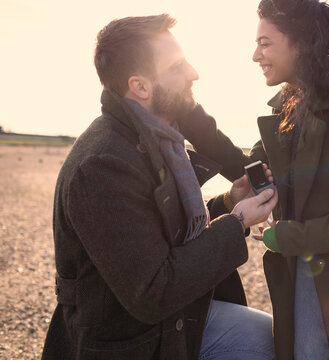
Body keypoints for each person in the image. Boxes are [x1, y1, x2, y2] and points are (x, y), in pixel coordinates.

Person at [179, 0, 329, 359]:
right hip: (303, 273)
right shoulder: (290, 109)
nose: (255, 55)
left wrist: (293, 237)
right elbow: (249, 170)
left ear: (302, 41)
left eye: (265, 43)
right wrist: (188, 112)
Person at [41, 14, 278, 360]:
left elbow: (166, 237)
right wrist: (237, 222)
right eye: (178, 66)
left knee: (276, 337)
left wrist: (229, 202)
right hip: (131, 342)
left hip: (172, 319)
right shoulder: (103, 166)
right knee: (269, 346)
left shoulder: (154, 137)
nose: (194, 73)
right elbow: (154, 291)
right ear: (140, 86)